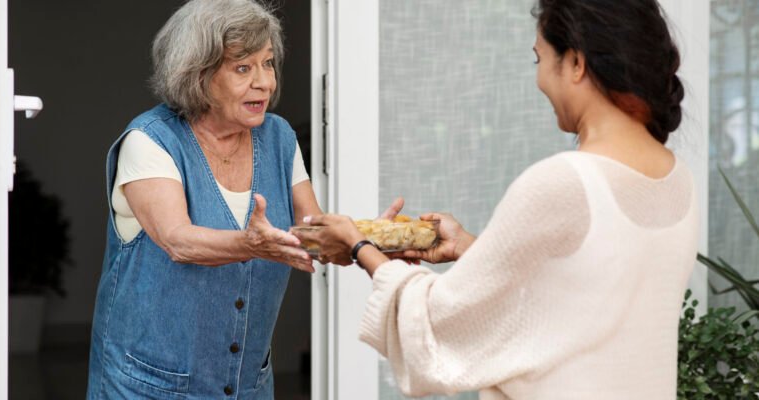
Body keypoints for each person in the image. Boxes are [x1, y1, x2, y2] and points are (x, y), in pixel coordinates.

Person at [295, 0, 699, 398]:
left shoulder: (564, 181)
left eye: (538, 58)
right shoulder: (679, 179)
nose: (539, 78)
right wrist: (473, 248)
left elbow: (439, 317)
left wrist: (358, 243)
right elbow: (576, 296)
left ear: (575, 63)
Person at [85, 1, 408, 398]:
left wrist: (368, 241)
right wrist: (249, 244)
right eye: (243, 68)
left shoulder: (279, 138)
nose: (265, 83)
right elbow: (178, 241)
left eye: (268, 64)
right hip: (147, 386)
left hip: (245, 385)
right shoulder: (150, 141)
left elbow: (312, 234)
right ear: (199, 75)